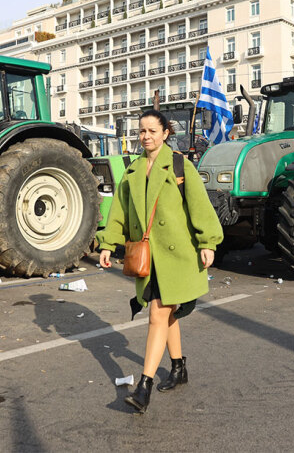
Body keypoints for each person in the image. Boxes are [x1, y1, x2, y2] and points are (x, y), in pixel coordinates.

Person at [97, 109, 223, 413]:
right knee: (166, 313)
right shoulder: (132, 169)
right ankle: (178, 367)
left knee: (158, 314)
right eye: (141, 131)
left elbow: (199, 206)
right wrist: (107, 243)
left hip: (176, 254)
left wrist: (208, 243)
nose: (145, 137)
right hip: (148, 257)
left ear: (165, 133)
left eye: (152, 131)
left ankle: (144, 386)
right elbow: (119, 212)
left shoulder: (180, 165)